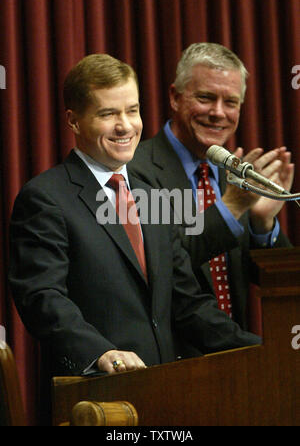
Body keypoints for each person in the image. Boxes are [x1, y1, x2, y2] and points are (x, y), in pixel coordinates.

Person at [9, 54, 261, 422]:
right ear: (73, 120)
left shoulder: (150, 196)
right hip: (96, 403)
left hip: (164, 398)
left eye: (132, 110)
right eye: (108, 114)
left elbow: (187, 304)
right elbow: (42, 298)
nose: (125, 126)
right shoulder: (46, 197)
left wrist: (264, 349)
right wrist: (102, 353)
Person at [128, 42, 293, 329]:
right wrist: (232, 207)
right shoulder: (135, 170)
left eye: (230, 102)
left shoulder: (231, 172)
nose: (218, 112)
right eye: (205, 98)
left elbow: (278, 282)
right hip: (172, 361)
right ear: (175, 97)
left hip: (237, 353)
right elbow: (163, 267)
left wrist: (263, 223)